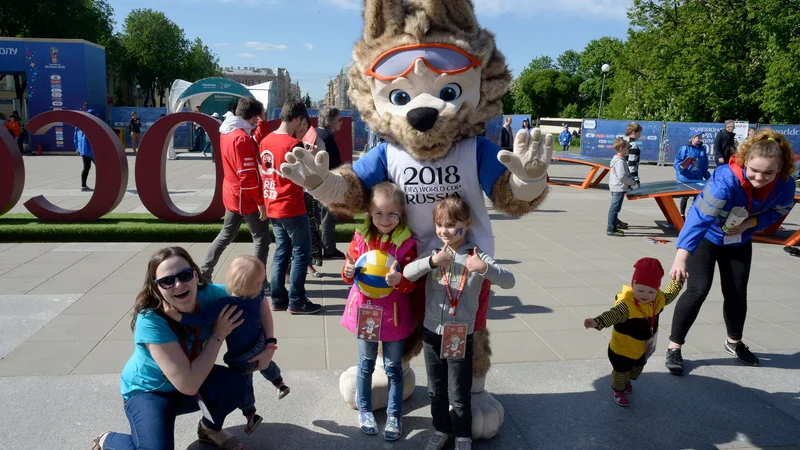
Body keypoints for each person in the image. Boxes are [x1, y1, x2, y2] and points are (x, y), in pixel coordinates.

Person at [91, 246, 277, 450]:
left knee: (236, 386)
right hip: (150, 392)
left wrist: (269, 345)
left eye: (185, 275)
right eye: (167, 281)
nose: (178, 284)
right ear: (157, 287)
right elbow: (188, 385)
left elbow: (255, 298)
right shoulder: (151, 320)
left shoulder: (211, 296)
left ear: (195, 274)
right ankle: (108, 440)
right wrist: (218, 334)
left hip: (192, 379)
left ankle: (209, 429)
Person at [665, 130, 797, 376]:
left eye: (769, 173)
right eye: (754, 171)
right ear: (745, 161)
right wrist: (681, 257)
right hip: (707, 237)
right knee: (697, 290)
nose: (760, 178)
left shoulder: (785, 184)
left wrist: (750, 224)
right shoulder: (725, 180)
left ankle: (734, 341)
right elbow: (699, 218)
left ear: (780, 168)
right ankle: (675, 346)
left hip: (739, 240)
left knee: (736, 292)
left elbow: (779, 211)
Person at [403, 196, 515, 450]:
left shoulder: (477, 256)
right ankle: (441, 429)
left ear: (467, 223)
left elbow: (509, 282)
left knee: (460, 392)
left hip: (459, 334)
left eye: (452, 225)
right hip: (432, 333)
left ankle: (462, 436)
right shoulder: (433, 254)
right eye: (440, 225)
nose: (445, 231)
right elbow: (408, 273)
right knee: (435, 389)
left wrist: (484, 268)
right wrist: (432, 262)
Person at [162, 255, 288, 436]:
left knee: (244, 383)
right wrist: (269, 343)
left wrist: (178, 317)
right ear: (258, 284)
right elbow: (263, 307)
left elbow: (202, 319)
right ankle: (279, 382)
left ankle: (250, 413)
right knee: (266, 365)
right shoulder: (258, 295)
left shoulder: (226, 303)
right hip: (260, 342)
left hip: (241, 355)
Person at [341, 181, 417, 441]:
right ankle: (365, 409)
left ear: (401, 213)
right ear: (370, 213)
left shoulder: (407, 244)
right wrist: (347, 272)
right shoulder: (361, 237)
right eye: (378, 213)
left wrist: (401, 282)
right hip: (366, 313)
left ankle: (395, 415)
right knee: (365, 365)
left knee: (394, 367)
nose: (385, 220)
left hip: (394, 316)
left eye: (391, 214)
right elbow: (349, 271)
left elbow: (411, 283)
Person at [583, 258, 684, 407]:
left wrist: (678, 282)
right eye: (640, 290)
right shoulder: (627, 305)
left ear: (657, 290)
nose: (645, 295)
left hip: (642, 348)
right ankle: (617, 390)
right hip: (622, 349)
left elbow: (669, 294)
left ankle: (627, 379)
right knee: (621, 371)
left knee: (636, 370)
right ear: (633, 285)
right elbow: (612, 314)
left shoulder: (657, 301)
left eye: (651, 291)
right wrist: (597, 322)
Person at [260, 99, 321, 314]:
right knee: (301, 252)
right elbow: (306, 177)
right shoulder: (292, 145)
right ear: (296, 118)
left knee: (281, 252)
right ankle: (297, 300)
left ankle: (278, 298)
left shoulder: (265, 140)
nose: (301, 127)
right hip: (291, 205)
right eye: (301, 122)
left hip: (273, 203)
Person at [201, 98, 271, 286]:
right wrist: (260, 202)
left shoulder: (228, 130)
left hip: (233, 195)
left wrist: (261, 121)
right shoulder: (241, 138)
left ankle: (204, 273)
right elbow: (247, 177)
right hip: (246, 198)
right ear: (254, 117)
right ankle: (259, 282)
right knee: (262, 239)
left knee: (225, 235)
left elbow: (256, 141)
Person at [291, 115, 326, 277]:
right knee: (294, 231)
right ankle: (291, 265)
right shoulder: (289, 142)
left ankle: (309, 264)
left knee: (311, 227)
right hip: (294, 191)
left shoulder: (317, 142)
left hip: (312, 191)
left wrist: (312, 155)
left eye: (305, 124)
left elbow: (323, 166)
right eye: (299, 124)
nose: (301, 128)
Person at [317, 106, 346, 260]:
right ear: (331, 122)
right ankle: (328, 249)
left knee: (321, 217)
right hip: (327, 185)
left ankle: (324, 248)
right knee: (329, 217)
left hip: (317, 184)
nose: (341, 123)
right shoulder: (326, 137)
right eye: (339, 120)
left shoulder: (317, 132)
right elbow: (333, 164)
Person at [674, 131, 712, 218]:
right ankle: (682, 215)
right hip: (686, 177)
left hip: (697, 177)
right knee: (685, 197)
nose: (700, 139)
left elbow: (704, 165)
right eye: (698, 137)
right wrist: (681, 167)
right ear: (692, 138)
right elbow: (677, 163)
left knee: (698, 197)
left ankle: (692, 214)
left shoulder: (702, 149)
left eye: (701, 137)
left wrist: (708, 177)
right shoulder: (685, 148)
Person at [607, 138, 637, 237]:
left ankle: (614, 227)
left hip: (618, 187)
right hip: (618, 188)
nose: (628, 149)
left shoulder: (620, 159)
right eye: (627, 148)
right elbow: (622, 177)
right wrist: (632, 182)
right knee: (614, 209)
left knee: (616, 208)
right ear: (621, 148)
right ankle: (611, 228)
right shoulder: (620, 162)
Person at [74, 109, 99, 192]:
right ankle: (102, 185)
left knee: (86, 167)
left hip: (84, 150)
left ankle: (83, 186)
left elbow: (75, 138)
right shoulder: (94, 125)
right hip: (93, 150)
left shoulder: (79, 125)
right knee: (101, 168)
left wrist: (77, 148)